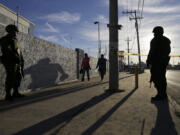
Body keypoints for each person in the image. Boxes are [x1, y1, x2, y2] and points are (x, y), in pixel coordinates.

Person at [0, 24, 25, 101]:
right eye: (14, 31)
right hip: (10, 61)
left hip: (17, 62)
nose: (15, 33)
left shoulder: (15, 40)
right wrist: (15, 57)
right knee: (11, 77)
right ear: (9, 31)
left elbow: (18, 51)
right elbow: (7, 50)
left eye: (16, 32)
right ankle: (8, 95)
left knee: (18, 77)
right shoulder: (4, 39)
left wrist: (21, 60)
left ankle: (15, 92)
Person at [146, 26, 171, 101]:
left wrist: (149, 60)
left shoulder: (156, 40)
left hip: (158, 62)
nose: (154, 34)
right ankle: (162, 94)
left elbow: (152, 51)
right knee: (161, 78)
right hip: (159, 62)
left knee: (158, 79)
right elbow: (152, 51)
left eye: (155, 32)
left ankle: (161, 95)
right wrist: (149, 60)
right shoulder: (164, 40)